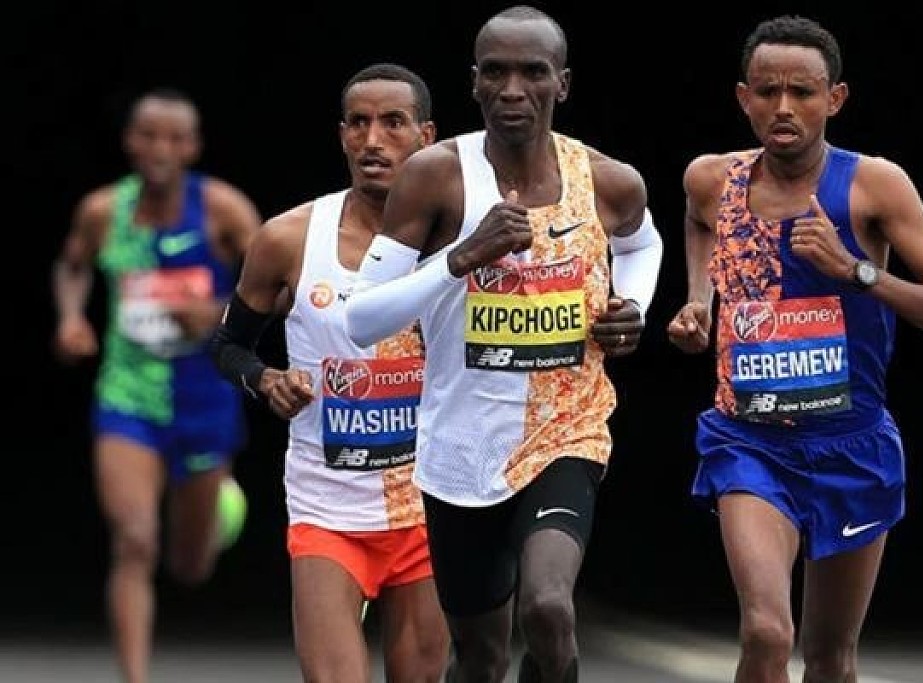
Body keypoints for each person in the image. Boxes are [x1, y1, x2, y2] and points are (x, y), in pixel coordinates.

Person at [343, 7, 663, 683]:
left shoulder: (606, 179)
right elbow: (362, 319)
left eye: (533, 73)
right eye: (496, 73)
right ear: (475, 83)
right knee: (481, 658)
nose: (513, 89)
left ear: (562, 84)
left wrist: (632, 302)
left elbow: (643, 242)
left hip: (566, 429)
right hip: (460, 447)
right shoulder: (435, 176)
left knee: (548, 607)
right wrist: (462, 256)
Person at [666, 14, 923, 682]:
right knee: (765, 631)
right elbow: (698, 222)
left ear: (834, 98)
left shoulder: (874, 185)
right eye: (767, 91)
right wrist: (700, 300)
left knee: (831, 658)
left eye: (803, 92)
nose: (784, 107)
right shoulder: (711, 179)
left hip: (852, 444)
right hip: (748, 441)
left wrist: (855, 270)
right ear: (743, 98)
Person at [209, 63, 449, 683]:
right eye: (359, 124)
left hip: (431, 508)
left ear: (426, 137)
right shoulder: (289, 239)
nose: (374, 140)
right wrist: (267, 380)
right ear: (342, 136)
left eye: (393, 123)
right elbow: (228, 346)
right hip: (328, 508)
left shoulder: (459, 241)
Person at [52, 87, 261, 683]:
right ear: (129, 141)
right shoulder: (103, 212)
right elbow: (72, 264)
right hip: (129, 396)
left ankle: (221, 504)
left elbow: (278, 289)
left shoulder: (223, 211)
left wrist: (216, 312)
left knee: (190, 566)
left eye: (174, 138)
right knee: (135, 540)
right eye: (148, 135)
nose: (160, 148)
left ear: (193, 146)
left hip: (205, 398)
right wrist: (71, 317)